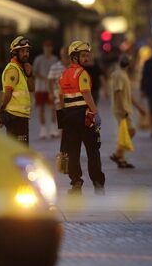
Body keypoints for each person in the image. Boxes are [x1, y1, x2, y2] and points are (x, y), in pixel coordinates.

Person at [59, 41, 105, 195]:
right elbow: (86, 94)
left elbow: (61, 99)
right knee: (93, 151)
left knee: (73, 152)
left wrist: (61, 122)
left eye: (87, 55)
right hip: (84, 117)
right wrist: (96, 112)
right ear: (74, 57)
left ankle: (76, 183)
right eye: (83, 56)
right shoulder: (82, 74)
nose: (86, 58)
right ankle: (98, 184)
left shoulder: (64, 74)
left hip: (69, 118)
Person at [109, 55, 146, 168]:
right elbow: (118, 92)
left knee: (124, 132)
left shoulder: (122, 74)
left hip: (124, 107)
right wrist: (122, 108)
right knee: (131, 130)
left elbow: (128, 95)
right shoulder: (119, 75)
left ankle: (121, 159)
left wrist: (139, 108)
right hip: (121, 109)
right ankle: (117, 153)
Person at [0, 36, 35, 145]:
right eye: (22, 51)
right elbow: (7, 94)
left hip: (21, 118)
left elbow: (32, 88)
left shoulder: (21, 69)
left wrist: (29, 75)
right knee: (20, 151)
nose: (26, 54)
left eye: (27, 51)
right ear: (14, 53)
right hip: (15, 118)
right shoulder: (12, 70)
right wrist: (1, 109)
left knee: (21, 149)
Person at [32, 40, 58, 139]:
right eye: (46, 46)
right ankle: (43, 129)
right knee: (41, 108)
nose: (48, 48)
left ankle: (52, 128)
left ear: (51, 48)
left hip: (52, 88)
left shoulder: (55, 59)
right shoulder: (38, 59)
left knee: (53, 108)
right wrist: (45, 78)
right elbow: (34, 72)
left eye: (49, 46)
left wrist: (51, 79)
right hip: (40, 87)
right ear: (43, 48)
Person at [47, 46, 70, 139]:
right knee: (61, 114)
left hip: (71, 95)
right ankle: (63, 133)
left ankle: (67, 132)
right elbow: (50, 81)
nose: (64, 56)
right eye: (63, 54)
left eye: (66, 55)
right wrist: (51, 93)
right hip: (58, 95)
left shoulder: (73, 67)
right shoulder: (54, 67)